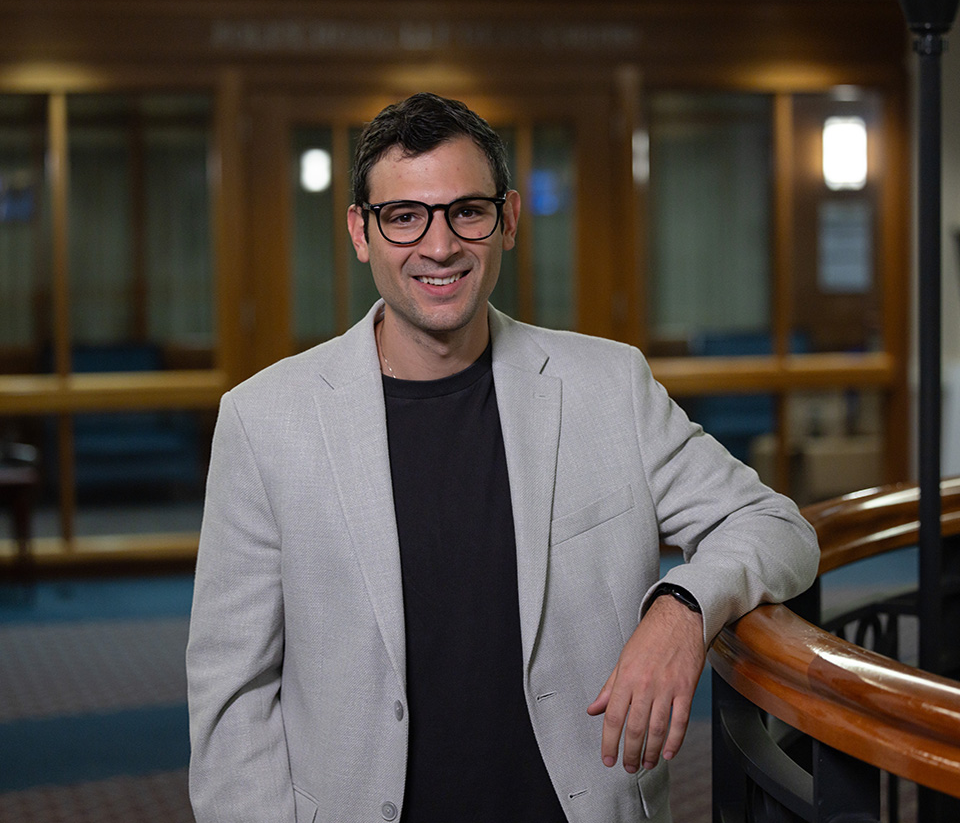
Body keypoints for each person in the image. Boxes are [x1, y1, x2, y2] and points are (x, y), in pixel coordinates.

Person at [186, 92, 819, 823]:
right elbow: (231, 695)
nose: (440, 245)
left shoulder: (608, 388)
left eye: (468, 211)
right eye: (404, 216)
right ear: (361, 232)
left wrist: (681, 608)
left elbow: (776, 526)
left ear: (509, 219)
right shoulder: (265, 421)